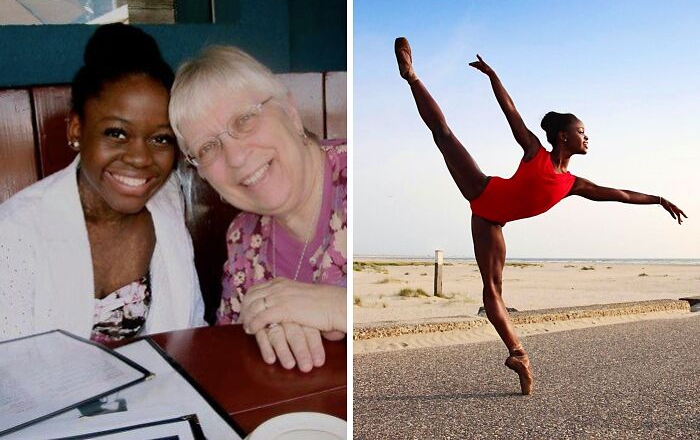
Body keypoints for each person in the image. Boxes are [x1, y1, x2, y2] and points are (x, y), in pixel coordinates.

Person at [394, 37, 686, 395]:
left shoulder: (573, 184)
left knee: (493, 292)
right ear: (562, 137)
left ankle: (518, 355)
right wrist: (492, 76)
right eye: (581, 132)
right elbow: (510, 111)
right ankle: (412, 76)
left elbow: (621, 195)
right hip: (482, 190)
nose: (587, 137)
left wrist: (658, 199)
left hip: (490, 222)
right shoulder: (535, 151)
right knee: (444, 135)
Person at [0, 24, 205, 343]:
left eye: (160, 138)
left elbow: (190, 326)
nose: (140, 158)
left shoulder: (167, 202)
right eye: (116, 133)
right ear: (76, 130)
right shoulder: (15, 234)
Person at [169, 46, 347, 373]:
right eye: (208, 148)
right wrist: (258, 324)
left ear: (291, 113)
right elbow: (232, 349)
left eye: (244, 120)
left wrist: (339, 307)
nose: (235, 157)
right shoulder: (243, 239)